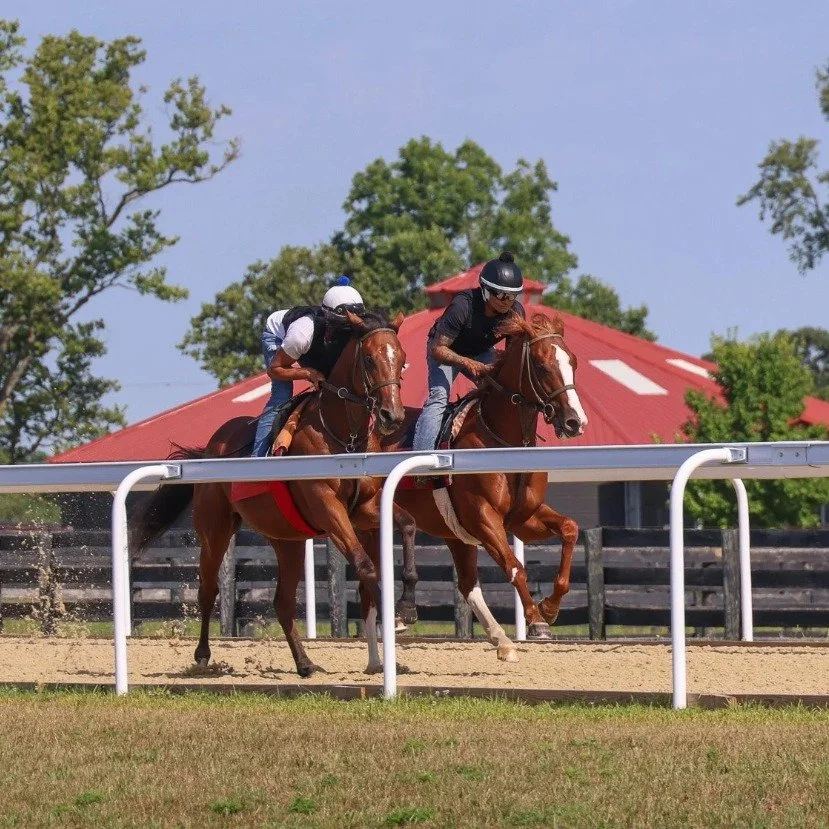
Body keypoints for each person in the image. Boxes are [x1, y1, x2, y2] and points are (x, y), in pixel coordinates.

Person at [411, 251, 526, 454]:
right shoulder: (462, 305)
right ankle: (421, 457)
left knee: (503, 391)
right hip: (446, 351)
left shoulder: (515, 313)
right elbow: (437, 349)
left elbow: (511, 356)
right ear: (485, 291)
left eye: (512, 296)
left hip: (480, 351)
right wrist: (467, 362)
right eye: (501, 295)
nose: (506, 302)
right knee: (438, 397)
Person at [252, 280, 365, 457]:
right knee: (281, 394)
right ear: (329, 319)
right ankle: (259, 457)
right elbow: (275, 370)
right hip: (278, 336)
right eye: (343, 327)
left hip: (310, 344)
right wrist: (307, 373)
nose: (346, 333)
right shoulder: (302, 333)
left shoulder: (345, 330)